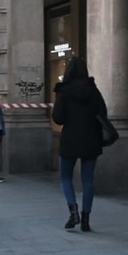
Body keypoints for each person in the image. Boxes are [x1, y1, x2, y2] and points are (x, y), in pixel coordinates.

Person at [52, 56, 106, 232]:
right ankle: (86, 219)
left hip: (70, 140)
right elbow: (103, 113)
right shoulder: (93, 90)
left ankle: (72, 210)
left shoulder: (64, 91)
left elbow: (58, 119)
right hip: (91, 139)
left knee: (66, 177)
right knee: (88, 179)